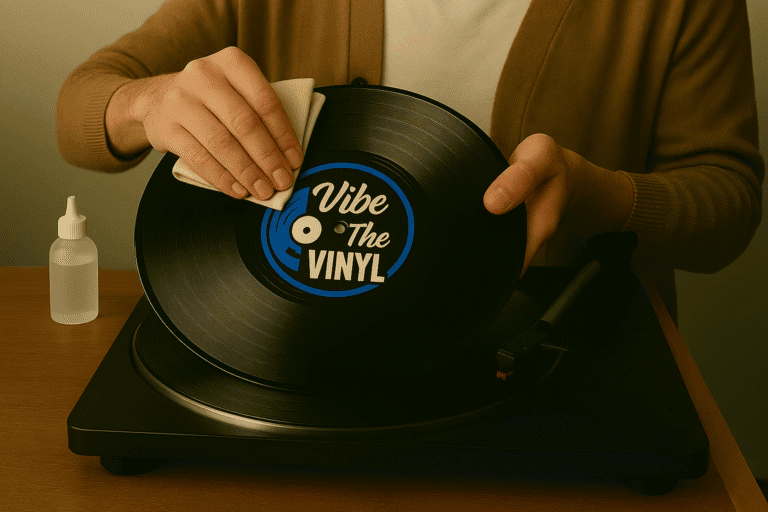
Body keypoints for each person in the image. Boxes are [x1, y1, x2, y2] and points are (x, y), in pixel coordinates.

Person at [56, 0, 764, 321]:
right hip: (304, 359)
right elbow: (79, 108)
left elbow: (728, 205)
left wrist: (596, 194)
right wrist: (147, 104)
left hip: (559, 356)